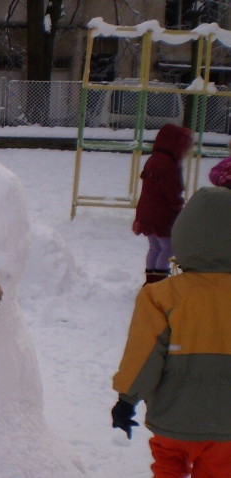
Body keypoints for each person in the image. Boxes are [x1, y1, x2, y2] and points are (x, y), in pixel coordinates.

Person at [111, 187, 231, 478]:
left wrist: (127, 400)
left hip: (172, 416)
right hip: (226, 425)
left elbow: (144, 354)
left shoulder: (161, 297)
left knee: (166, 469)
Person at [133, 124, 191, 285]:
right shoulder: (167, 164)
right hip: (161, 214)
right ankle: (158, 282)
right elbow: (170, 190)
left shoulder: (154, 159)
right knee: (167, 248)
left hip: (146, 210)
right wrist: (178, 205)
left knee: (155, 247)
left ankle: (150, 281)